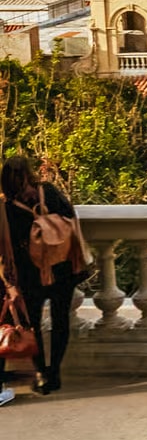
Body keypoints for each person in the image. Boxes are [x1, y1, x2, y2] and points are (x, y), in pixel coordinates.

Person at [3, 156, 83, 395]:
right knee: (59, 321)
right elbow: (71, 218)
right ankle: (53, 371)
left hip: (30, 273)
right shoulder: (47, 192)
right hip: (61, 267)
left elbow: (7, 246)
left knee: (33, 324)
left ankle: (41, 373)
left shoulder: (7, 207)